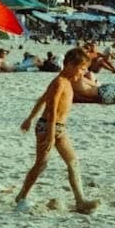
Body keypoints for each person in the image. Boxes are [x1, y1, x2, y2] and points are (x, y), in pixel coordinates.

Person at [15, 48, 99, 214]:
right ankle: (22, 196)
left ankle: (80, 201)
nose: (83, 72)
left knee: (73, 162)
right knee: (41, 164)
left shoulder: (67, 82)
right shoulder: (59, 82)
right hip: (48, 127)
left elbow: (41, 99)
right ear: (68, 65)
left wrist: (29, 118)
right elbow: (51, 109)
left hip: (59, 128)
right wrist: (50, 135)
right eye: (81, 68)